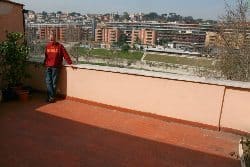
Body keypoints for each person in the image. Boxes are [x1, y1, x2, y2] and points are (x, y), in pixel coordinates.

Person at [44, 31, 74, 103]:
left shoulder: (60, 46)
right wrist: (44, 63)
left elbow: (65, 55)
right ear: (49, 37)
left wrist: (70, 63)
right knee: (48, 82)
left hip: (56, 67)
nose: (51, 38)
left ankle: (51, 97)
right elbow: (46, 56)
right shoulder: (47, 46)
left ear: (55, 37)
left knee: (54, 82)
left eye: (53, 36)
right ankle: (52, 96)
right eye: (50, 36)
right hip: (48, 66)